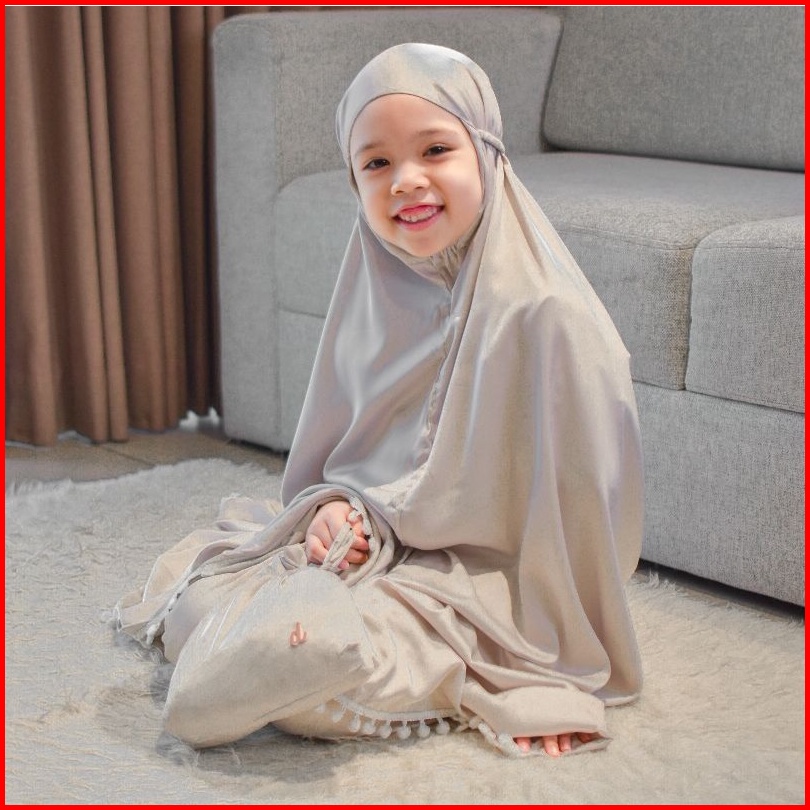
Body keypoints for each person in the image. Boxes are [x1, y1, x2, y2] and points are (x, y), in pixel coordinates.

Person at [115, 43, 643, 759]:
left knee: (345, 655)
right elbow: (350, 457)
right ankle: (265, 650)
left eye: (436, 150)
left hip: (491, 586)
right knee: (204, 581)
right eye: (376, 163)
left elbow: (579, 526)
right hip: (382, 558)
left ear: (487, 154)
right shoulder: (375, 289)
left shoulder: (545, 316)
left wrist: (551, 672)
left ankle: (286, 660)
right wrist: (338, 511)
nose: (406, 181)